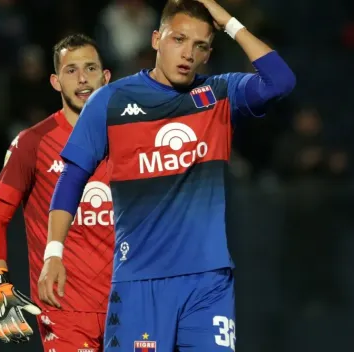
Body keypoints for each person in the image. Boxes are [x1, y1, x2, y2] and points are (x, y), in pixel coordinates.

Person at [39, 0, 296, 351]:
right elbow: (71, 179)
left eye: (200, 45)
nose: (187, 53)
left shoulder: (219, 95)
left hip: (209, 282)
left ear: (208, 53)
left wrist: (228, 21)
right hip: (140, 282)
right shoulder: (111, 101)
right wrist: (53, 253)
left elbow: (280, 80)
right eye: (179, 39)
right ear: (156, 39)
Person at [0, 33, 113, 351]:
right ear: (55, 81)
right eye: (71, 70)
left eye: (91, 68)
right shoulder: (32, 144)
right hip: (65, 311)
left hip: (130, 306)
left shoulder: (131, 139)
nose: (82, 79)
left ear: (106, 77)